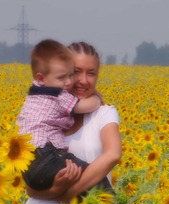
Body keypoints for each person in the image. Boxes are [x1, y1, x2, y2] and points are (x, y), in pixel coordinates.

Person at [17, 41, 143, 204]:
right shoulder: (51, 113)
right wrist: (55, 188)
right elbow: (29, 185)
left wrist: (68, 193)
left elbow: (113, 155)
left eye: (91, 73)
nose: (83, 80)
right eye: (76, 72)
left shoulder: (104, 113)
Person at [16, 39, 113, 194]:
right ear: (42, 77)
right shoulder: (58, 95)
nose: (68, 82)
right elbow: (87, 106)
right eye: (73, 73)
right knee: (93, 178)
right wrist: (96, 97)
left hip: (27, 162)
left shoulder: (35, 93)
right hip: (45, 155)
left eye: (91, 73)